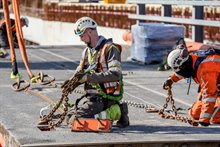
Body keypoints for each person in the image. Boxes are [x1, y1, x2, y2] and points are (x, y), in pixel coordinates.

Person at [65, 17, 129, 128]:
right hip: (91, 97)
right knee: (68, 117)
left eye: (81, 35)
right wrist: (71, 83)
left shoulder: (110, 49)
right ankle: (116, 111)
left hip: (104, 98)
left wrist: (88, 78)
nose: (81, 39)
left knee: (75, 121)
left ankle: (116, 111)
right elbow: (79, 73)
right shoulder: (86, 52)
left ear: (90, 31)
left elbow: (116, 74)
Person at [163, 44, 220, 126]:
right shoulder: (192, 59)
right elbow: (187, 70)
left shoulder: (205, 69)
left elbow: (209, 95)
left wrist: (204, 120)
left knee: (213, 118)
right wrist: (172, 79)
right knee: (195, 114)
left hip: (213, 90)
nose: (181, 74)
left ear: (185, 65)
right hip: (214, 87)